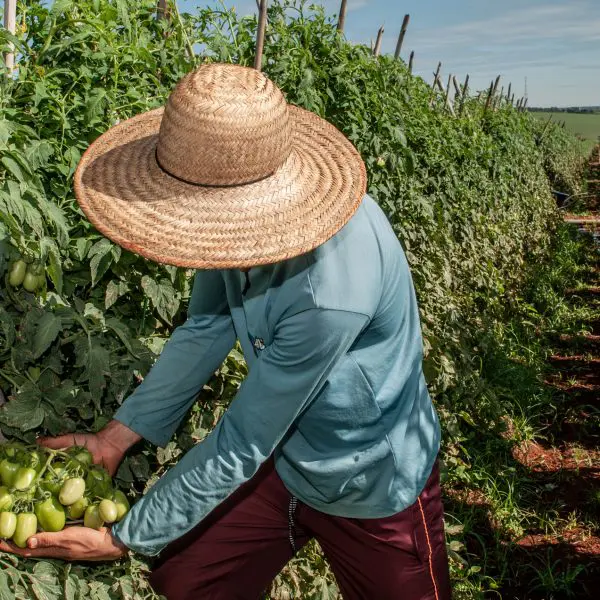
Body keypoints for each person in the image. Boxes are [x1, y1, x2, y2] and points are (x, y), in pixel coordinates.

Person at [0, 63, 451, 600]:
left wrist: (124, 537)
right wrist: (114, 439)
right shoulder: (236, 225)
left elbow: (244, 440)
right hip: (282, 464)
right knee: (188, 581)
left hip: (368, 480)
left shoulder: (329, 294)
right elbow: (205, 329)